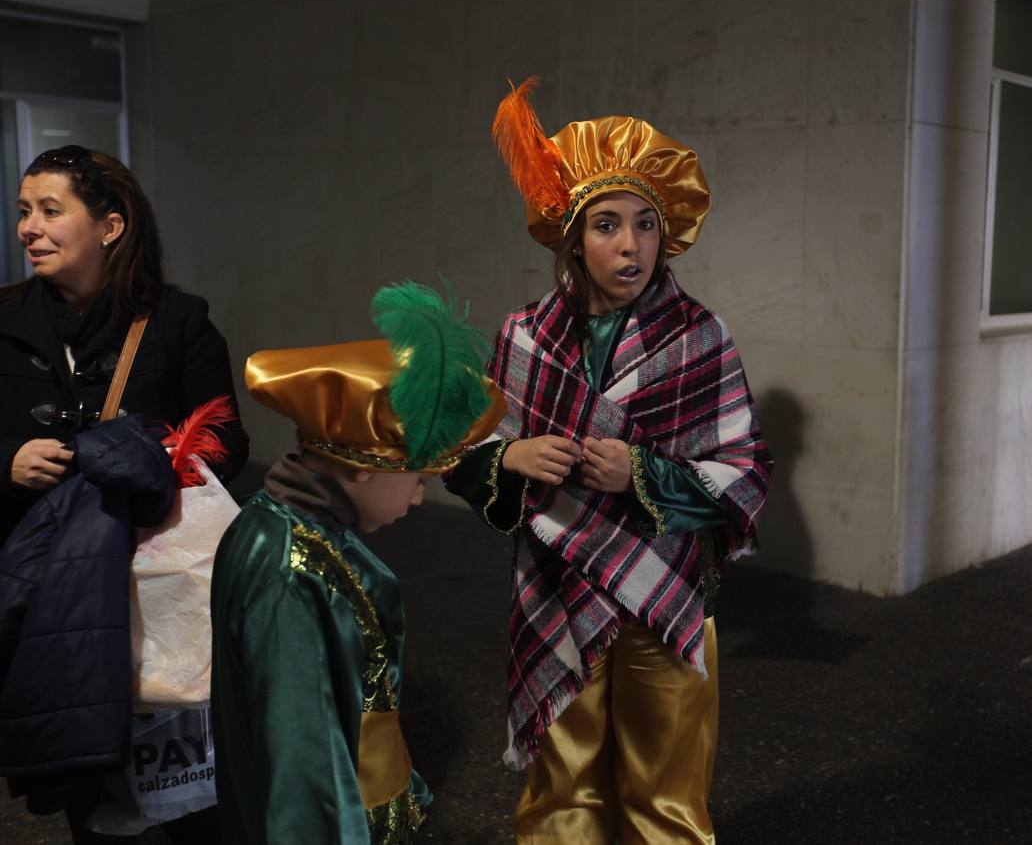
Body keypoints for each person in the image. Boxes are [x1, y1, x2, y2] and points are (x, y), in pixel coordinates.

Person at [445, 78, 773, 843]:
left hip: (666, 594)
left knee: (667, 791)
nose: (631, 246)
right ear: (570, 236)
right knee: (561, 787)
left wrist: (646, 475)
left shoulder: (700, 337)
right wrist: (512, 455)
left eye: (646, 225)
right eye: (606, 225)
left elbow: (744, 471)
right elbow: (463, 455)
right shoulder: (524, 335)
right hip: (554, 586)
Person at [0, 145, 248, 843]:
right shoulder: (5, 322)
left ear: (110, 226)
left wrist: (144, 461)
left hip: (154, 585)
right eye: (24, 212)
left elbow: (229, 441)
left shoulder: (178, 321)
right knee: (90, 781)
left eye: (51, 211)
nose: (30, 228)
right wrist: (8, 461)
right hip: (44, 585)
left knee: (183, 776)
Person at [210, 281, 505, 844]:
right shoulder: (290, 572)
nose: (418, 498)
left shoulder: (289, 525)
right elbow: (302, 766)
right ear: (366, 466)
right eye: (417, 480)